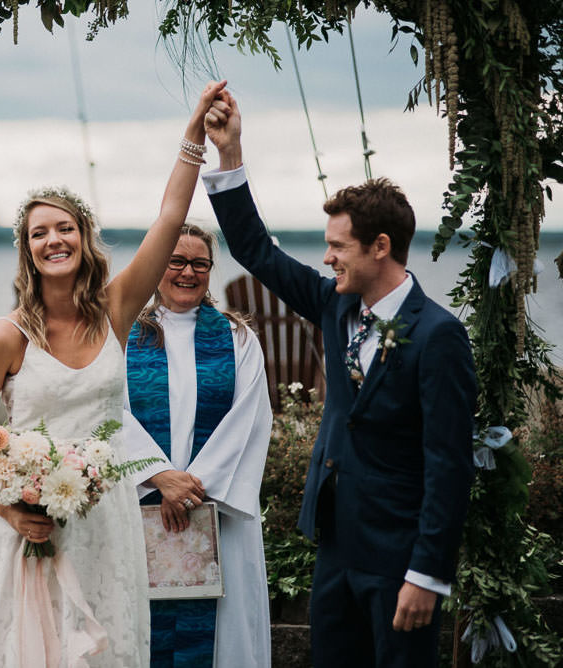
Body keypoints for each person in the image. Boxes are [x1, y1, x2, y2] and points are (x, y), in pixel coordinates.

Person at [0, 81, 228, 668]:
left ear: (84, 238)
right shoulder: (8, 334)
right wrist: (11, 510)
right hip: (22, 526)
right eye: (39, 233)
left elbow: (171, 217)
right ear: (27, 251)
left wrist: (195, 134)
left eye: (64, 227)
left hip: (104, 522)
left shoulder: (116, 312)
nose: (54, 239)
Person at [201, 89, 476, 667]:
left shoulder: (437, 337)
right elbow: (256, 250)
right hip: (335, 549)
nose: (327, 259)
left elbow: (448, 463)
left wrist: (426, 574)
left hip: (400, 561)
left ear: (381, 247)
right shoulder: (335, 306)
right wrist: (230, 156)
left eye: (337, 247)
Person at [123, 222, 273, 667]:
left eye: (199, 264)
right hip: (141, 506)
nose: (188, 272)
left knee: (224, 637)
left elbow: (250, 420)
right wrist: (158, 476)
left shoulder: (237, 338)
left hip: (217, 512)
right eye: (176, 261)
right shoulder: (123, 334)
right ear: (157, 265)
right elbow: (108, 410)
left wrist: (190, 491)